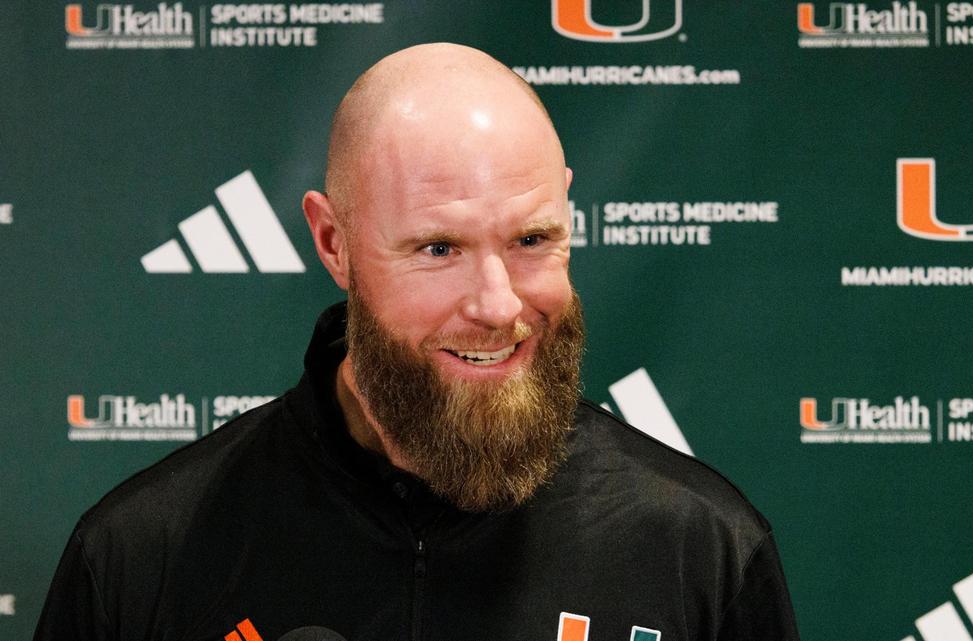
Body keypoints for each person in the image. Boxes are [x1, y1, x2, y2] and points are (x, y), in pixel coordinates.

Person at [35, 43, 799, 641]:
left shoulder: (702, 550)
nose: (499, 304)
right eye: (439, 248)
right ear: (334, 241)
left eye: (533, 238)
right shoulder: (141, 559)